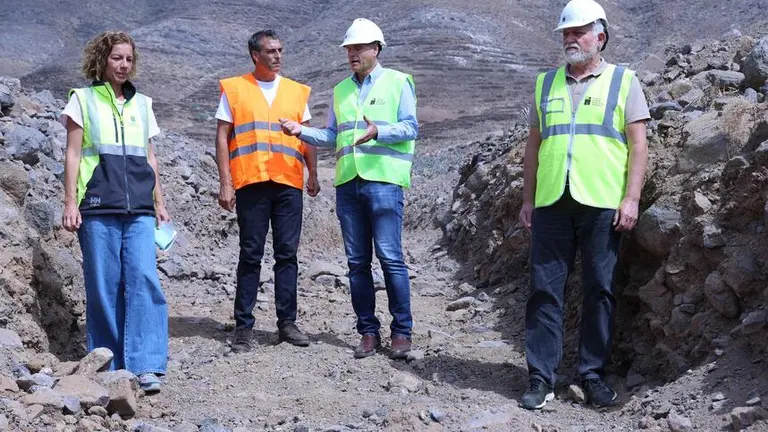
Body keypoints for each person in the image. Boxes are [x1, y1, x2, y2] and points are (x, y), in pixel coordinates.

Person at [518, 0, 650, 410]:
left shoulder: (624, 81)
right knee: (544, 291)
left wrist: (631, 198)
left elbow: (639, 144)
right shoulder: (544, 84)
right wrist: (528, 199)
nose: (570, 39)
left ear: (600, 37)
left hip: (602, 203)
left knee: (599, 290)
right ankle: (541, 378)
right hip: (552, 201)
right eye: (566, 33)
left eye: (578, 32)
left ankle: (592, 375)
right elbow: (534, 147)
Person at [280, 18, 418, 360]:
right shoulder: (340, 90)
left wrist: (379, 132)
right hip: (348, 185)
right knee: (357, 263)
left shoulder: (399, 82)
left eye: (358, 48)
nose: (352, 54)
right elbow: (333, 135)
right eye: (348, 49)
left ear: (376, 49)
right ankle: (368, 332)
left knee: (390, 258)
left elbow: (411, 127)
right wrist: (300, 131)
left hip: (384, 181)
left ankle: (401, 332)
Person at [60, 31, 169, 393]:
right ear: (102, 60)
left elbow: (150, 157)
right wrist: (70, 202)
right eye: (117, 58)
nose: (123, 65)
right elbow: (73, 154)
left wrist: (160, 202)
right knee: (104, 285)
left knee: (144, 279)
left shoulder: (143, 104)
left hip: (139, 207)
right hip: (97, 205)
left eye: (129, 59)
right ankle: (108, 362)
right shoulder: (82, 100)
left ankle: (146, 365)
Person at [215, 30, 319, 354]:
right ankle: (243, 327)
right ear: (255, 55)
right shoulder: (235, 89)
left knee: (287, 254)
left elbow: (307, 137)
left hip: (288, 183)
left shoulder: (295, 91)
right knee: (251, 254)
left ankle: (287, 323)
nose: (277, 56)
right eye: (271, 51)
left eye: (280, 50)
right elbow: (222, 137)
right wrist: (225, 182)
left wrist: (313, 173)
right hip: (252, 182)